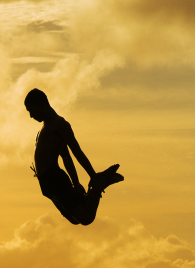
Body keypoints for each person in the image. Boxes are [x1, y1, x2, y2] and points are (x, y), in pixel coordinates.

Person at [25, 89, 123, 226]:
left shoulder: (59, 124)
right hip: (47, 185)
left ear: (41, 105)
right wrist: (75, 183)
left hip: (55, 179)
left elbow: (77, 152)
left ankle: (98, 182)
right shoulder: (45, 127)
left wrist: (92, 176)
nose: (30, 115)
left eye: (31, 110)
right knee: (75, 220)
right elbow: (66, 157)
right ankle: (99, 183)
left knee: (86, 218)